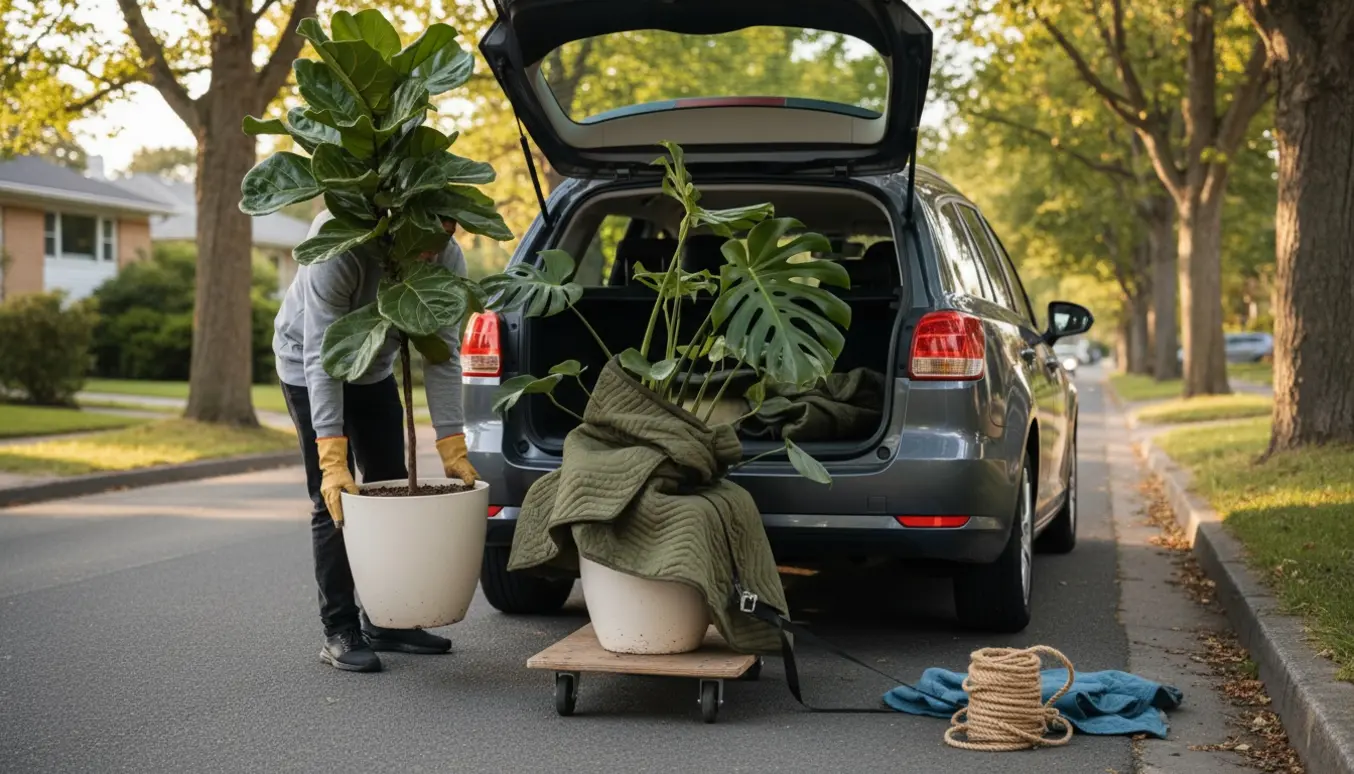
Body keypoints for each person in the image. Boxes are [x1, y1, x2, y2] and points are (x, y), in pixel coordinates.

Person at [274, 211, 479, 673]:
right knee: (336, 497)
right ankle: (339, 629)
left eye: (447, 234)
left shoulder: (447, 256)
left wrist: (452, 444)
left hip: (375, 369)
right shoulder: (340, 241)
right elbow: (322, 354)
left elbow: (443, 352)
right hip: (307, 365)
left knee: (390, 485)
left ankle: (388, 620)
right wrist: (333, 457)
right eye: (427, 235)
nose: (434, 250)